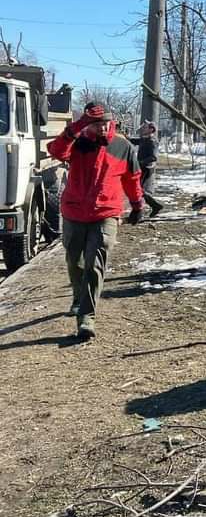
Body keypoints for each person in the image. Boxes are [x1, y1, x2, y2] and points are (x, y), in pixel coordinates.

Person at [47, 102, 145, 340]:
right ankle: (78, 297)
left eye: (105, 123)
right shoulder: (76, 142)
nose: (102, 128)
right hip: (74, 213)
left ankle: (86, 318)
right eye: (96, 124)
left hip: (106, 213)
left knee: (94, 265)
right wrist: (77, 127)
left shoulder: (123, 146)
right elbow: (56, 151)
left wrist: (137, 204)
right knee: (75, 262)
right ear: (87, 125)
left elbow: (132, 178)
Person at [136, 121, 165, 217]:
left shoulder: (152, 141)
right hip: (142, 167)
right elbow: (134, 140)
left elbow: (153, 157)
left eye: (145, 127)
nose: (143, 129)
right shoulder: (145, 139)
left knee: (140, 190)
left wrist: (141, 162)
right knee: (139, 189)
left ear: (151, 129)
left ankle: (154, 206)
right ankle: (153, 206)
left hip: (147, 168)